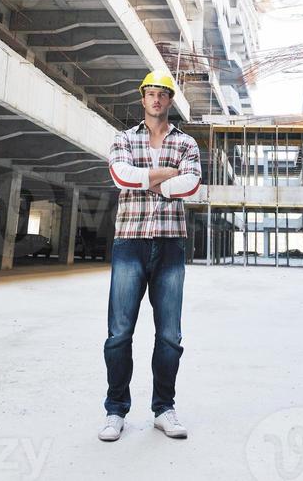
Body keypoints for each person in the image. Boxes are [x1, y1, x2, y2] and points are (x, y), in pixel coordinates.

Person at [98, 70, 202, 442]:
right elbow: (120, 176)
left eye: (162, 94)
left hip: (171, 244)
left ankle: (164, 408)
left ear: (170, 100)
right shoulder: (123, 138)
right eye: (150, 93)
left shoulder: (187, 143)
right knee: (119, 333)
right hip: (130, 242)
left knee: (170, 335)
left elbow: (190, 183)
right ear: (142, 98)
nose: (156, 100)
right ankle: (115, 411)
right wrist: (163, 174)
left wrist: (149, 179)